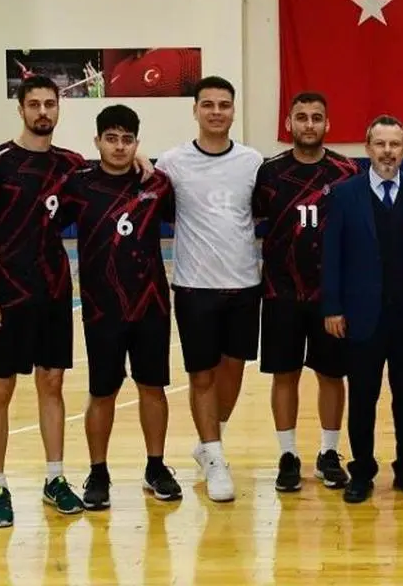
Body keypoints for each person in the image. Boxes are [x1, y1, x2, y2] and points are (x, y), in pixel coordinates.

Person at [0, 74, 89, 527]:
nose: (43, 111)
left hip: (54, 292)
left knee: (52, 384)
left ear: (59, 108)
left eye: (49, 104)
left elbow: (112, 183)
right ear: (20, 109)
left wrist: (138, 157)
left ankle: (54, 478)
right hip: (6, 294)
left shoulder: (72, 166)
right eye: (34, 104)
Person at [53, 104, 183, 509]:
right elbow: (43, 227)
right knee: (102, 391)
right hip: (101, 308)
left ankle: (156, 466)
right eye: (111, 138)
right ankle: (98, 471)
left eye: (127, 139)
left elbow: (188, 222)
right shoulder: (78, 185)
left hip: (151, 305)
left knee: (153, 387)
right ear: (97, 141)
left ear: (137, 143)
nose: (120, 146)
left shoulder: (156, 183)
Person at [321, 115, 403, 504]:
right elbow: (332, 255)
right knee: (363, 397)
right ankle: (362, 470)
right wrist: (333, 307)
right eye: (380, 144)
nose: (387, 152)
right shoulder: (345, 194)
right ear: (367, 148)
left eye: (395, 144)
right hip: (362, 315)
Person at [155, 75, 264, 503]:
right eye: (208, 104)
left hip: (244, 284)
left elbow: (263, 213)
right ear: (195, 110)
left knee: (233, 370)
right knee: (201, 374)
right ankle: (216, 458)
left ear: (233, 110)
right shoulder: (172, 162)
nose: (216, 112)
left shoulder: (252, 162)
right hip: (194, 286)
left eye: (224, 105)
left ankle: (209, 440)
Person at [252, 92, 360, 492]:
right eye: (301, 117)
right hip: (280, 291)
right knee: (285, 374)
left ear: (327, 124)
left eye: (316, 117)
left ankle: (329, 453)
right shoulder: (270, 172)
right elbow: (255, 219)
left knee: (332, 375)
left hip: (330, 295)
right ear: (289, 124)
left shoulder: (346, 171)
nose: (309, 124)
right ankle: (288, 455)